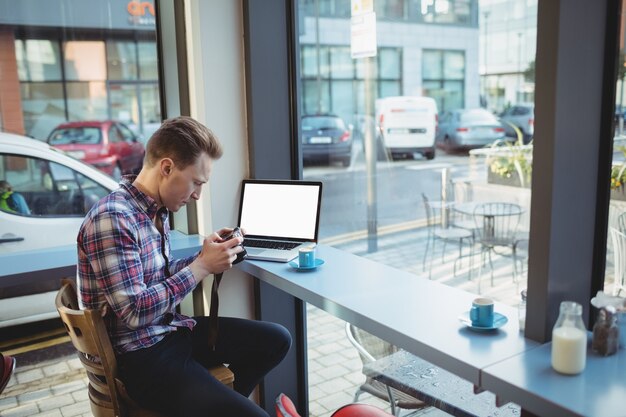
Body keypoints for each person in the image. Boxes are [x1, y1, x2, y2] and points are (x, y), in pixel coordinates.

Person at [77, 116, 291, 417]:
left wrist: (206, 256)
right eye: (196, 182)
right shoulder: (113, 218)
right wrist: (202, 267)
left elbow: (156, 279)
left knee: (276, 339)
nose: (197, 195)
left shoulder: (153, 211)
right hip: (142, 358)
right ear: (167, 168)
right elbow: (135, 311)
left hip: (169, 333)